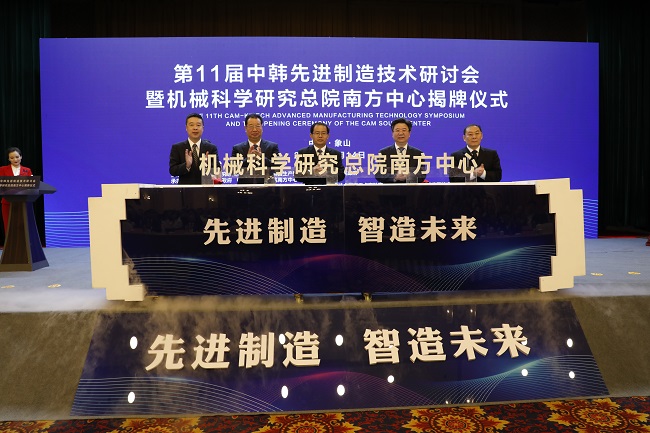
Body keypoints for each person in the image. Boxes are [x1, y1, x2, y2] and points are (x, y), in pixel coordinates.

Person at [169, 113, 220, 185]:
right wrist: (186, 166)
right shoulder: (177, 147)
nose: (195, 128)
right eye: (191, 125)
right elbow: (172, 170)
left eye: (198, 125)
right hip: (185, 190)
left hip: (206, 189)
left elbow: (217, 171)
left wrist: (207, 167)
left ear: (203, 128)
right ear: (186, 128)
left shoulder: (211, 148)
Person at [231, 113, 281, 184]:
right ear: (245, 128)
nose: (254, 130)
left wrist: (261, 158)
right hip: (244, 188)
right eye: (251, 126)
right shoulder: (237, 148)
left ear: (262, 127)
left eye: (257, 126)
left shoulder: (272, 146)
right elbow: (232, 171)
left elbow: (278, 168)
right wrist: (247, 159)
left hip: (268, 188)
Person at [374, 118, 427, 183]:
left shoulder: (418, 153)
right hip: (390, 188)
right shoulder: (383, 153)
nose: (401, 133)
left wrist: (409, 175)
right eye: (397, 130)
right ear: (392, 133)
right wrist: (395, 177)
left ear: (409, 133)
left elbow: (422, 175)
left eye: (404, 130)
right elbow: (379, 174)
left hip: (410, 188)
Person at [1, 147, 33, 234]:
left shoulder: (27, 170)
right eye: (12, 158)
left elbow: (32, 186)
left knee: (22, 227)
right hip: (7, 203)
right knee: (8, 226)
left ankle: (23, 243)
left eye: (17, 157)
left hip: (23, 203)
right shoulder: (2, 169)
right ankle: (9, 243)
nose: (15, 159)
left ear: (21, 157)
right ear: (8, 159)